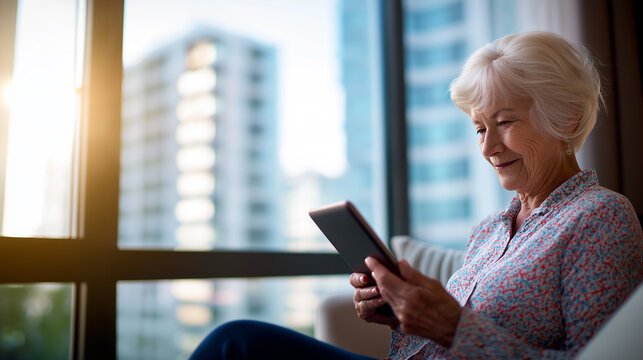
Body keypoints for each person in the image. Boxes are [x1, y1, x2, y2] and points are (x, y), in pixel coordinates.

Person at [189, 31, 643, 360]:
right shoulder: (488, 231)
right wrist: (401, 313)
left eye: (505, 122)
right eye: (480, 128)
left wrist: (452, 327)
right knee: (234, 342)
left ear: (564, 120)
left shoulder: (601, 217)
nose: (487, 147)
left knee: (238, 346)